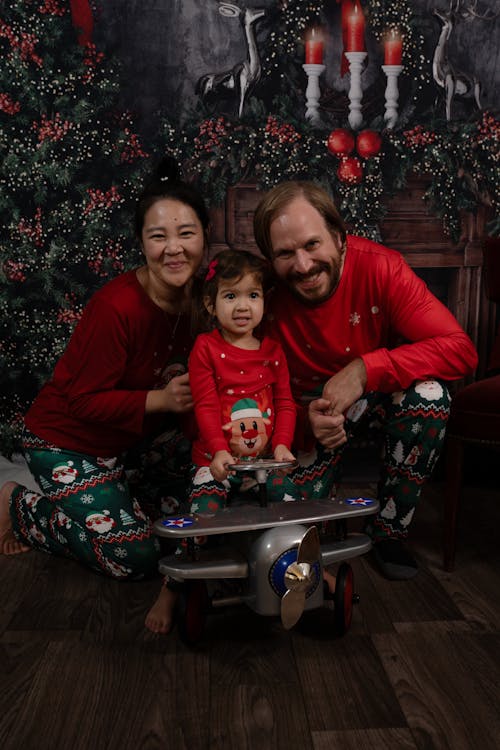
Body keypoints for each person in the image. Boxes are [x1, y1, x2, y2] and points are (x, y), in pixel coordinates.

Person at [0, 157, 210, 633]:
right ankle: (21, 508)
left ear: (205, 234)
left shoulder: (208, 297)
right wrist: (160, 401)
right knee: (134, 556)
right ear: (141, 244)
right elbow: (81, 403)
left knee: (203, 512)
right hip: (67, 439)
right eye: (158, 237)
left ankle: (119, 496)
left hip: (132, 443)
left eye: (186, 233)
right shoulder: (117, 308)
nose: (173, 249)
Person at [252, 180, 478, 580]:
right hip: (302, 415)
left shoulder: (381, 267)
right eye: (285, 253)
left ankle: (390, 531)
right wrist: (304, 420)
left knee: (430, 395)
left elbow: (460, 350)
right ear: (270, 258)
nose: (303, 265)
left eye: (311, 245)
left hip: (377, 395)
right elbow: (243, 394)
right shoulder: (258, 296)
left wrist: (364, 370)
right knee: (287, 531)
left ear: (339, 238)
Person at [147, 249, 346, 632]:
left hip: (265, 462)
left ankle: (309, 573)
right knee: (201, 518)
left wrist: (283, 445)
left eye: (252, 296)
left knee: (291, 508)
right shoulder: (206, 348)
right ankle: (172, 588)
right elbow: (205, 405)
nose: (243, 306)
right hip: (216, 461)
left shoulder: (272, 352)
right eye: (231, 295)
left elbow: (286, 403)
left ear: (263, 303)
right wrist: (219, 451)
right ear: (211, 303)